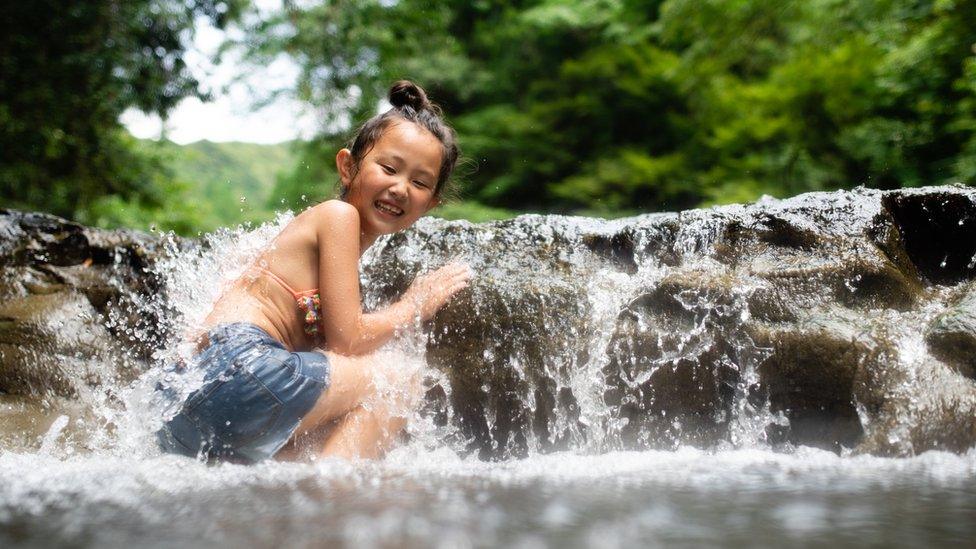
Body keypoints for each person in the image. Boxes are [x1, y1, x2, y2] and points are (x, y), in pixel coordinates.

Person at [155, 80, 471, 463]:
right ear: (348, 167)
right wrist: (414, 305)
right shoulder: (337, 216)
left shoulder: (310, 242)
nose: (401, 188)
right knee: (399, 377)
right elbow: (348, 342)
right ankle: (331, 498)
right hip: (244, 370)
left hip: (183, 407)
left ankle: (310, 493)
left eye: (420, 183)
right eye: (389, 168)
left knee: (312, 444)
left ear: (431, 203)